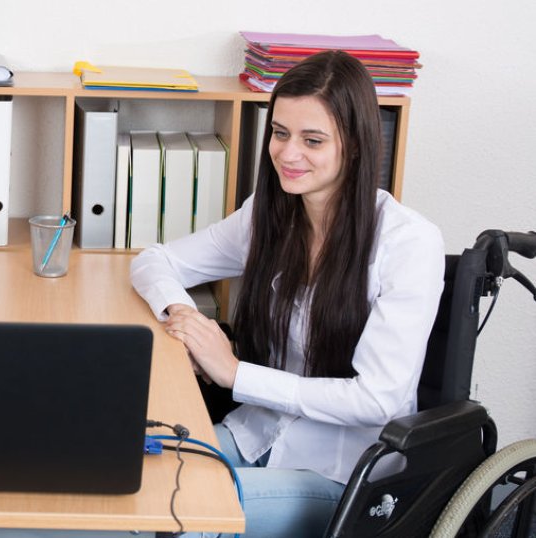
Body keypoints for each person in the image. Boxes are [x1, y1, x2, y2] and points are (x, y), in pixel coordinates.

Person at [130, 50, 444, 537]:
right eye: (280, 133)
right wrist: (189, 320)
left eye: (312, 140)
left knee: (174, 517)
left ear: (356, 145)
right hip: (255, 433)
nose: (288, 153)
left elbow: (378, 399)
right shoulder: (270, 216)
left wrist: (234, 372)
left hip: (340, 473)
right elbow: (156, 261)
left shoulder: (408, 243)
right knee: (127, 479)